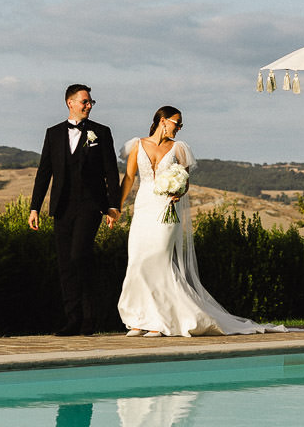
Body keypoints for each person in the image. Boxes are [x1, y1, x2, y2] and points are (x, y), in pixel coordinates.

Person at [116, 106, 289, 337]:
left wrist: (179, 191)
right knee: (137, 260)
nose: (179, 128)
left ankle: (159, 321)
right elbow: (128, 177)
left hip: (167, 208)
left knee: (158, 258)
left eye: (181, 125)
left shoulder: (180, 148)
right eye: (177, 123)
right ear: (163, 121)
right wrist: (116, 206)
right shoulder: (137, 144)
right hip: (144, 207)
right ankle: (137, 320)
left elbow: (185, 180)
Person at [29, 84, 122, 336]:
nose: (89, 105)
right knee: (65, 264)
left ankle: (90, 317)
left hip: (91, 205)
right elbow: (44, 172)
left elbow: (111, 172)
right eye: (84, 101)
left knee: (79, 255)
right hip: (62, 206)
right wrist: (35, 207)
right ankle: (73, 320)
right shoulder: (53, 133)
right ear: (70, 103)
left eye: (91, 102)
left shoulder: (101, 132)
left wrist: (114, 205)